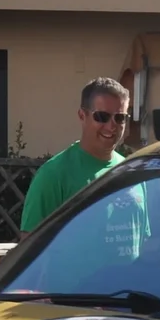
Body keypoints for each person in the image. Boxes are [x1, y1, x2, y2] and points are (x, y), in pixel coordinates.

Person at [21, 78, 133, 233]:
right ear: (82, 115)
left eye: (120, 118)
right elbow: (30, 248)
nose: (112, 126)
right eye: (102, 117)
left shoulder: (132, 172)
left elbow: (142, 242)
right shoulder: (53, 175)